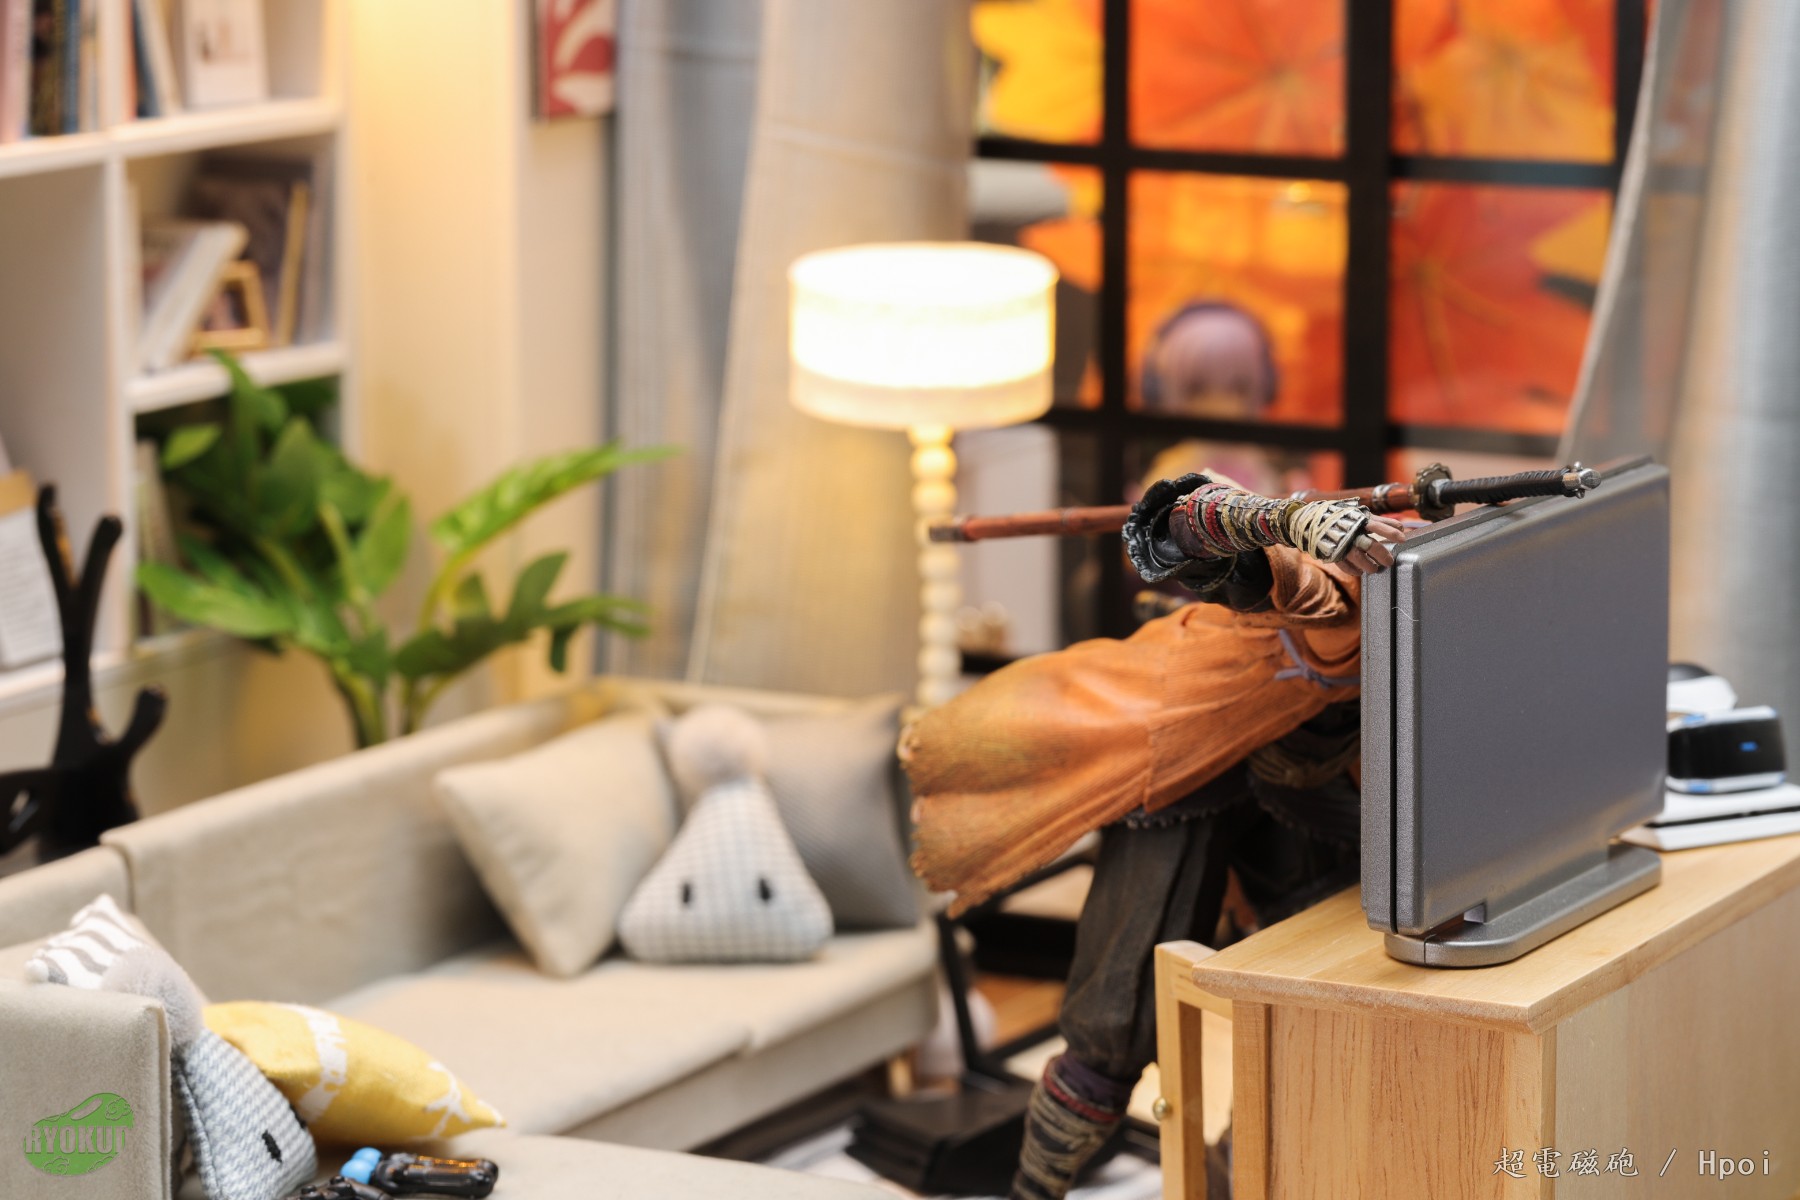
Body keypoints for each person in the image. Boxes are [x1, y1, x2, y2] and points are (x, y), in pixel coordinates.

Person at [902, 476, 1404, 1200]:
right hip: (1177, 764)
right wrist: (1286, 522)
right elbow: (1181, 521)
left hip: (1300, 779)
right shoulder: (1330, 595)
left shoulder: (1414, 598)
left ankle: (1244, 1174)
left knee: (1317, 999)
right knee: (1114, 1024)